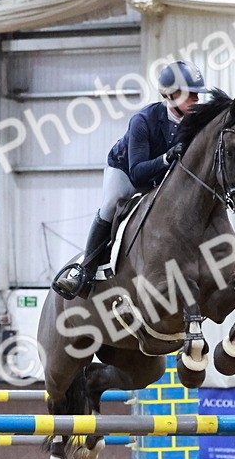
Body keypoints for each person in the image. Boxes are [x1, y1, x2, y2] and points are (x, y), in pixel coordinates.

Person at [52, 60, 211, 300]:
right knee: (111, 205)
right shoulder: (143, 120)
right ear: (170, 94)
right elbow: (137, 173)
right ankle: (83, 271)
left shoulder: (195, 123)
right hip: (126, 170)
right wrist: (166, 158)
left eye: (197, 95)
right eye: (191, 95)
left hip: (161, 175)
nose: (196, 100)